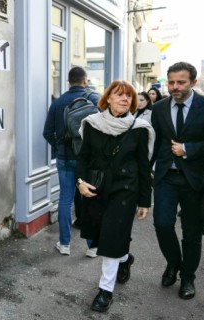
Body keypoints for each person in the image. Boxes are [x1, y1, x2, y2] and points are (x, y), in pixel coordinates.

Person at [76, 80, 155, 312]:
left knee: (111, 237)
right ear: (107, 98)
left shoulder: (140, 128)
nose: (124, 99)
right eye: (119, 95)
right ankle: (125, 258)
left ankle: (105, 291)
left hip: (125, 190)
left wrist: (144, 200)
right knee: (102, 235)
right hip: (97, 188)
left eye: (128, 97)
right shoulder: (92, 124)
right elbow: (83, 158)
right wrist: (80, 182)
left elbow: (143, 167)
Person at [150, 61, 204, 300]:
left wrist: (189, 149)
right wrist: (147, 171)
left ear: (193, 83)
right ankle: (174, 264)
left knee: (192, 233)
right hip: (166, 177)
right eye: (171, 82)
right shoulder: (158, 108)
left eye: (181, 82)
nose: (175, 87)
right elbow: (154, 143)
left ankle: (188, 277)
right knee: (162, 224)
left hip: (194, 180)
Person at [43, 66, 100, 257]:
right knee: (89, 199)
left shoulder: (58, 103)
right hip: (89, 159)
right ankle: (92, 247)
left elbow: (47, 132)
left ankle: (65, 244)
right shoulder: (93, 100)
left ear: (69, 81)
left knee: (65, 199)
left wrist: (59, 146)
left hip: (65, 158)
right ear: (85, 81)